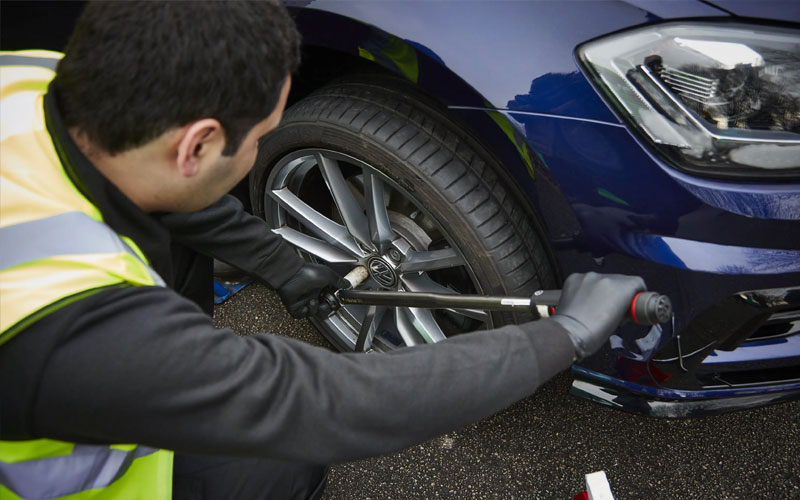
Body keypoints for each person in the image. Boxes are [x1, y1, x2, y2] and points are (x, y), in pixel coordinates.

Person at [0, 2, 646, 499]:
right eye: (262, 137)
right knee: (282, 463)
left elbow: (162, 193)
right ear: (195, 146)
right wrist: (564, 336)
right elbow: (328, 402)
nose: (262, 151)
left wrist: (287, 266)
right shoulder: (77, 334)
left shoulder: (31, 78)